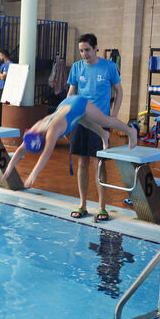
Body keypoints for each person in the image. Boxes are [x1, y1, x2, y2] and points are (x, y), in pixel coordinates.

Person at [3, 95, 137, 191]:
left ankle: (130, 131)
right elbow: (21, 150)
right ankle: (103, 134)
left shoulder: (52, 131)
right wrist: (9, 168)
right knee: (84, 121)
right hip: (66, 105)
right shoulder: (35, 129)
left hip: (78, 103)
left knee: (105, 121)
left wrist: (34, 173)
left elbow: (46, 154)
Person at [66, 33, 123, 221]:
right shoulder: (76, 67)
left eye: (87, 50)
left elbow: (119, 91)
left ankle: (101, 206)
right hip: (81, 120)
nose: (84, 54)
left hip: (100, 122)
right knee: (82, 162)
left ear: (96, 47)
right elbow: (71, 93)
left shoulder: (109, 67)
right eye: (81, 50)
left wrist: (113, 118)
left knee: (98, 163)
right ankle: (82, 204)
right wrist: (66, 117)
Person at [0, 50, 11, 125]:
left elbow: (3, 77)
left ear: (3, 56)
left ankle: (2, 124)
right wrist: (0, 75)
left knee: (3, 107)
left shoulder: (10, 64)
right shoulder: (2, 65)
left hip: (5, 88)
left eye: (0, 55)